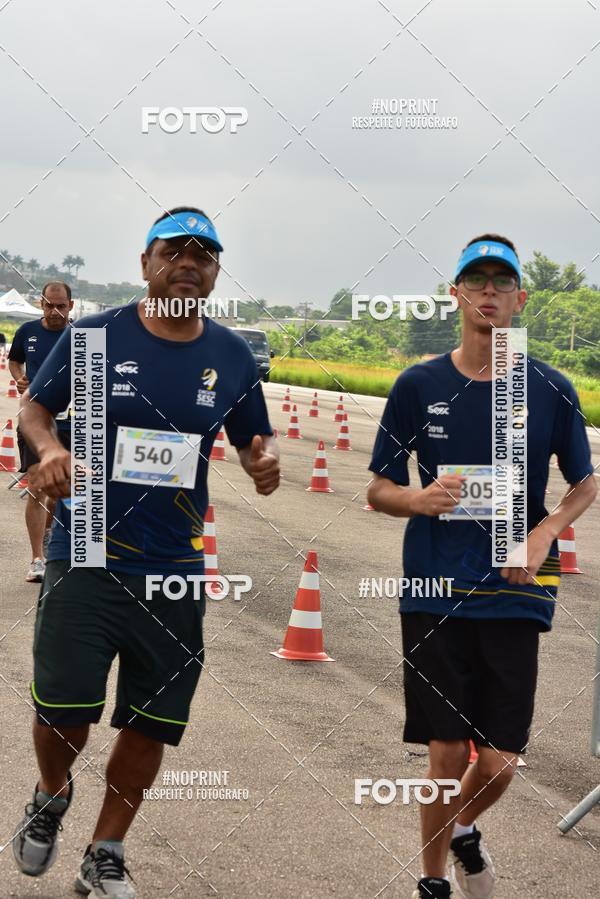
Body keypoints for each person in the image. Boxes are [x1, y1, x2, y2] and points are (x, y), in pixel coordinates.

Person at [13, 207, 280, 898]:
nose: (189, 263)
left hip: (175, 564)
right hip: (90, 547)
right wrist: (49, 450)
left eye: (204, 255)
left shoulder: (232, 356)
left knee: (149, 717)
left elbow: (257, 439)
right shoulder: (95, 337)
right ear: (146, 264)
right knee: (63, 710)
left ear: (216, 272)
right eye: (174, 251)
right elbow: (34, 411)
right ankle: (49, 791)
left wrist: (263, 461)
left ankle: (106, 851)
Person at [367, 234, 597, 899]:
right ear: (457, 293)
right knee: (444, 751)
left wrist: (544, 532)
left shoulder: (551, 386)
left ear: (520, 297)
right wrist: (416, 496)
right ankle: (433, 878)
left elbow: (586, 482)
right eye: (476, 279)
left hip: (513, 591)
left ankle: (463, 828)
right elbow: (379, 487)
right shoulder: (418, 384)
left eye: (502, 281)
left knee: (498, 761)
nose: (488, 290)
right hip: (434, 589)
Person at [7, 282, 74, 581]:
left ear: (71, 305)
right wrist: (20, 378)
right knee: (35, 485)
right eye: (49, 305)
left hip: (70, 422)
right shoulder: (27, 331)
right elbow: (14, 360)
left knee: (59, 490)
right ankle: (36, 558)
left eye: (60, 305)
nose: (55, 311)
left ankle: (50, 537)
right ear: (41, 303)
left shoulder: (82, 335)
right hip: (34, 420)